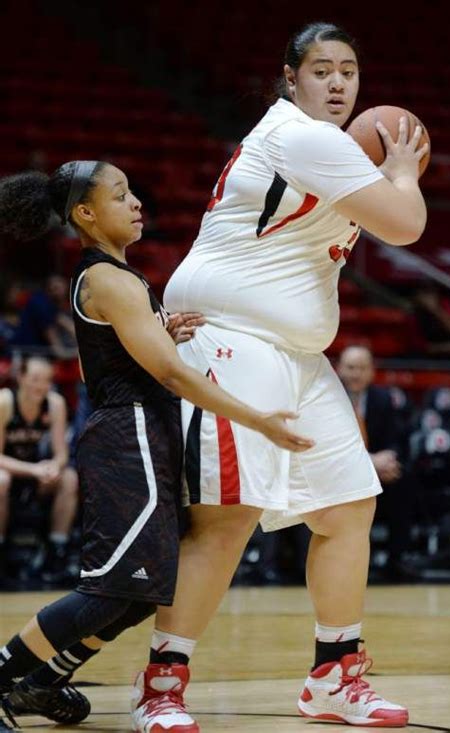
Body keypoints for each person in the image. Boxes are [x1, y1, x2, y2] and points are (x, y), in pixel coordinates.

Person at [130, 21, 427, 731]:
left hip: (294, 353)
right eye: (321, 69)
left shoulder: (331, 148)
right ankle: (161, 686)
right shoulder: (300, 134)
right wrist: (405, 172)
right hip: (233, 339)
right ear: (290, 78)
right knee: (227, 518)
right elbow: (406, 224)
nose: (337, 83)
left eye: (349, 72)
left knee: (350, 505)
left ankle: (334, 675)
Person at [0, 160, 313, 732]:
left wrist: (159, 329)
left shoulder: (121, 277)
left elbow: (128, 355)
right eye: (121, 195)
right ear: (86, 215)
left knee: (143, 594)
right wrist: (257, 420)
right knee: (107, 592)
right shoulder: (106, 279)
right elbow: (170, 374)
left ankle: (41, 684)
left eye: (134, 191)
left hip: (147, 435)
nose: (137, 202)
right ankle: (5, 679)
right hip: (131, 437)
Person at [337, 345, 419, 580]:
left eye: (362, 368)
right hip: (337, 472)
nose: (356, 374)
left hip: (375, 474)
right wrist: (370, 461)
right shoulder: (327, 398)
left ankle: (397, 559)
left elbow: (394, 441)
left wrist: (388, 460)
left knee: (402, 481)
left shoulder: (382, 399)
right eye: (351, 367)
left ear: (372, 372)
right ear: (339, 369)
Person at [0, 356, 79, 584]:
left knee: (69, 478)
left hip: (35, 474)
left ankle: (57, 551)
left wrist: (54, 467)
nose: (41, 386)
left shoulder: (55, 403)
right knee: (1, 480)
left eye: (47, 380)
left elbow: (62, 454)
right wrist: (34, 470)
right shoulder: (5, 402)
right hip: (10, 471)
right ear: (20, 377)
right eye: (35, 379)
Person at [13, 274, 77, 360]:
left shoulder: (48, 302)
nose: (62, 292)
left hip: (36, 351)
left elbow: (68, 325)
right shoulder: (41, 306)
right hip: (27, 354)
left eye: (63, 288)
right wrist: (78, 351)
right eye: (56, 289)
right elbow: (58, 349)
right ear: (49, 290)